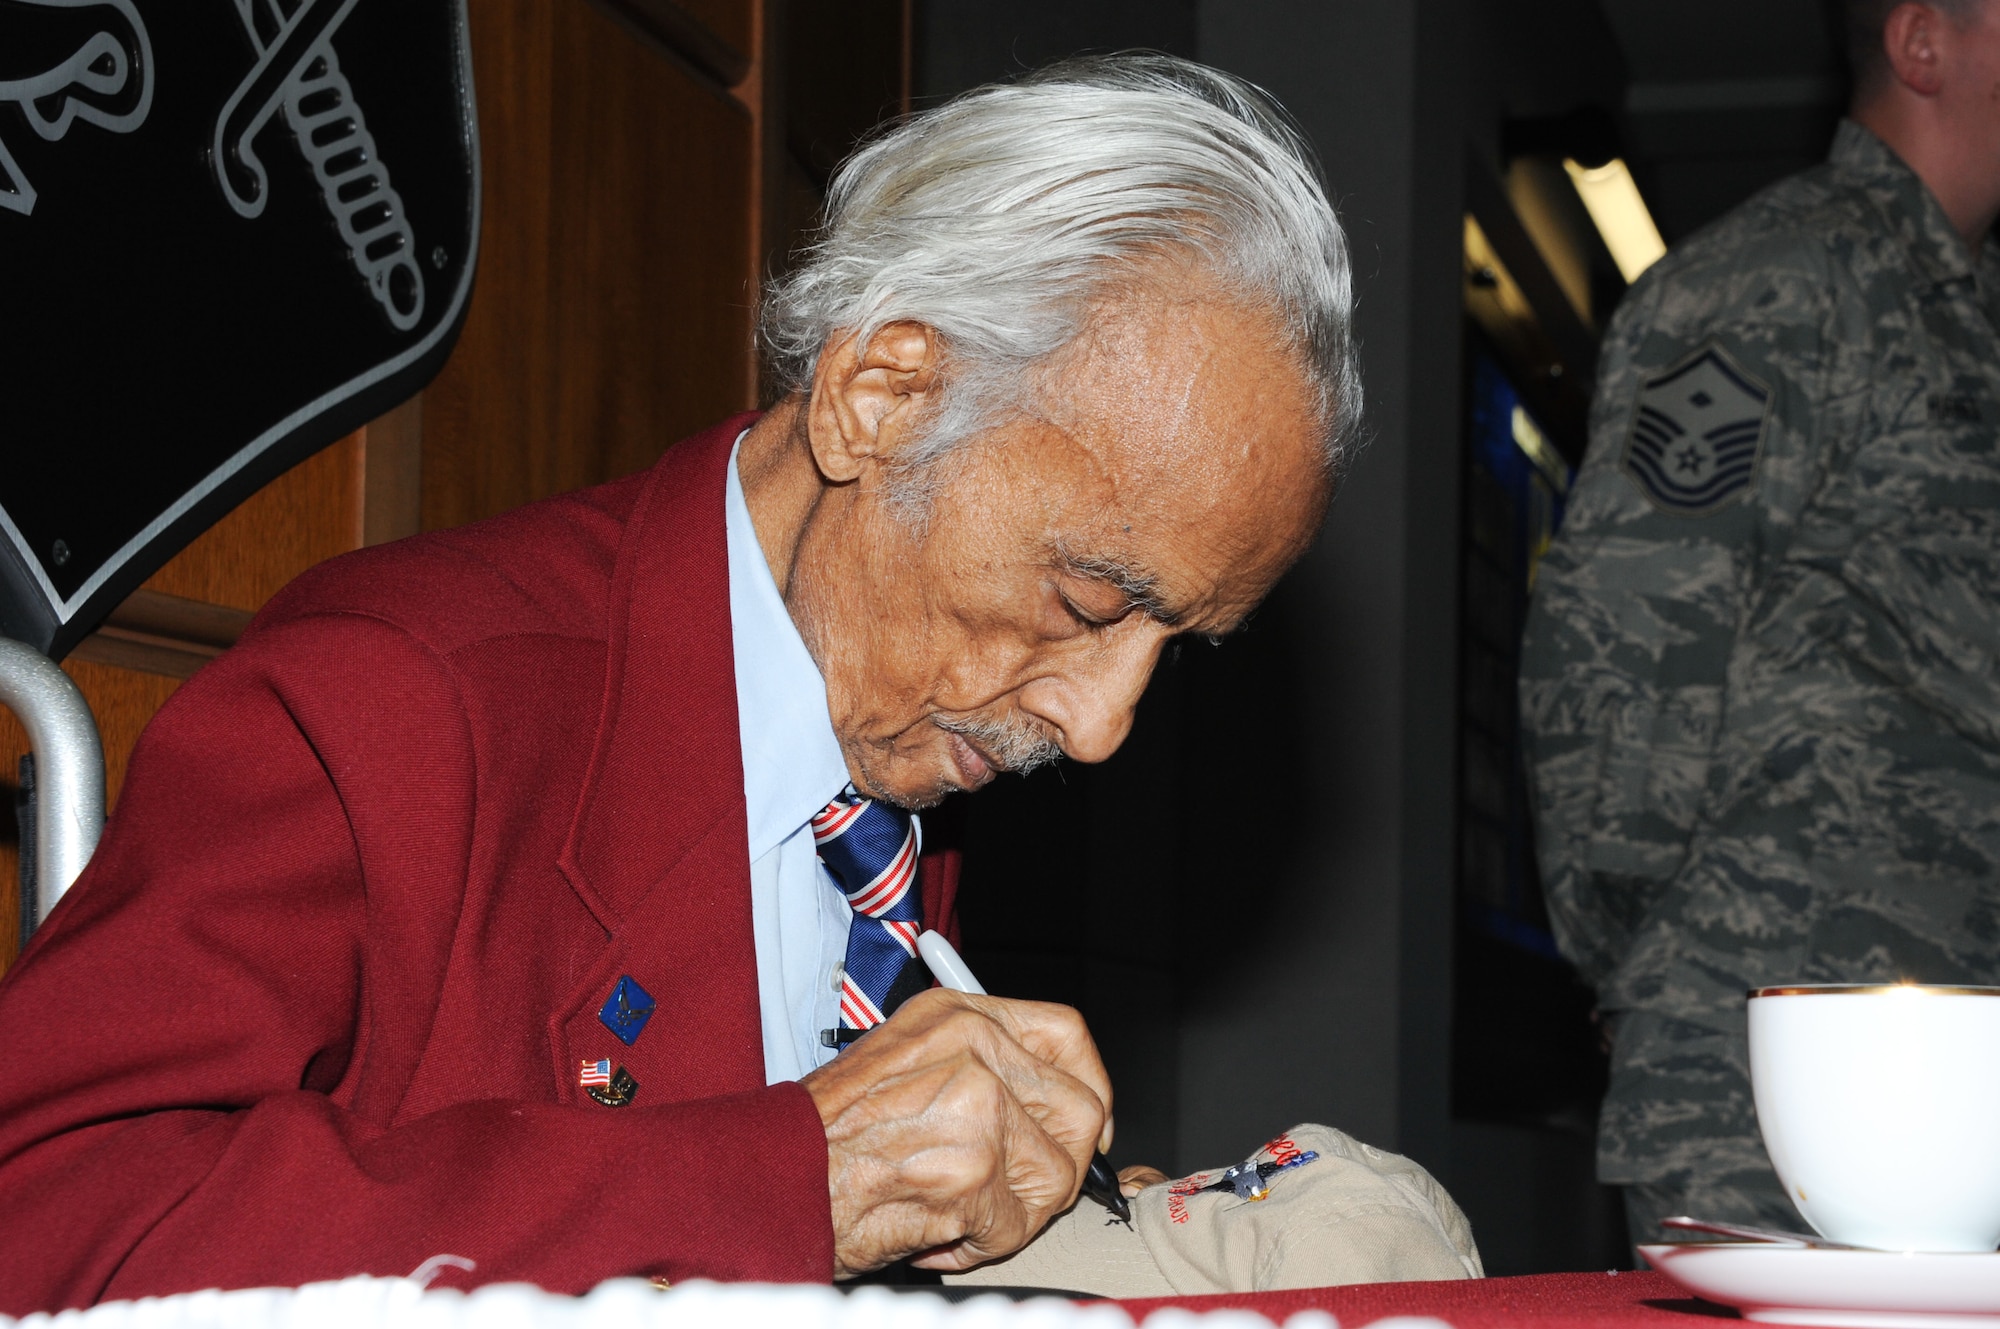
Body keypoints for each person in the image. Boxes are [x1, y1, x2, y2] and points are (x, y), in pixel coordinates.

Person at [0, 55, 1361, 1311]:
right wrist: (790, 1177)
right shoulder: (402, 699)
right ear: (880, 398)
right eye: (1085, 599)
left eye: (1173, 642)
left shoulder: (882, 750)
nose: (1102, 721)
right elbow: (43, 1220)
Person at [1520, 0, 2000, 1246]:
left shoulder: (1972, 316)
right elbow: (1623, 642)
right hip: (1781, 1047)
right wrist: (1640, 957)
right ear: (1921, 42)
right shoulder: (1772, 282)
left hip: (1959, 1035)